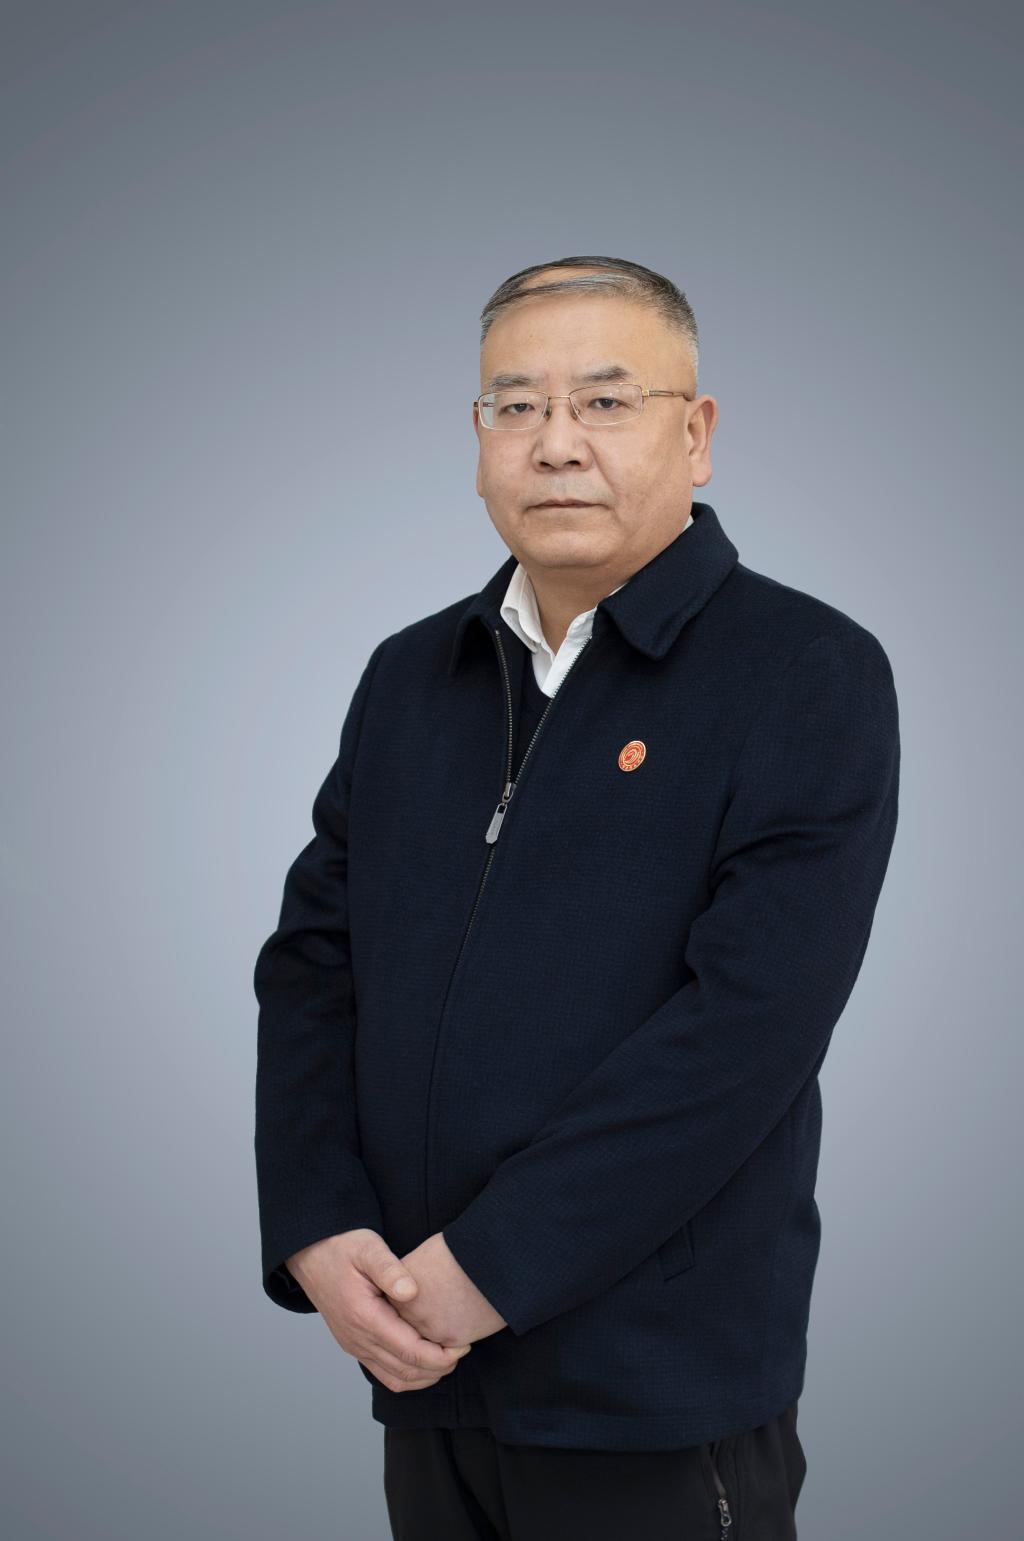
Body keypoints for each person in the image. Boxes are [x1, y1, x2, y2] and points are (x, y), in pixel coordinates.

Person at [253, 255, 901, 1539]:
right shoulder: (410, 678)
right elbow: (313, 964)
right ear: (478, 438)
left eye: (605, 401)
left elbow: (746, 1030)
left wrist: (487, 1269)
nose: (555, 443)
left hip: (654, 1390)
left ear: (695, 434)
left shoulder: (804, 670)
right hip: (425, 1376)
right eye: (516, 406)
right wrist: (319, 1226)